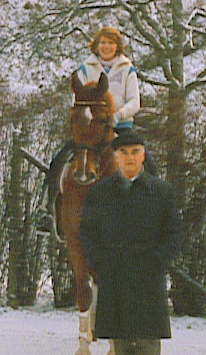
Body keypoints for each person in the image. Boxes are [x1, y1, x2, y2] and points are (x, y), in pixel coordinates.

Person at [79, 130, 182, 355]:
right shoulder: (100, 192)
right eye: (123, 153)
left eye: (135, 152)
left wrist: (158, 261)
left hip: (148, 272)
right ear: (115, 156)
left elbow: (174, 233)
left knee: (148, 337)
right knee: (121, 335)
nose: (130, 159)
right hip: (114, 271)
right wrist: (99, 262)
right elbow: (87, 231)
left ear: (144, 154)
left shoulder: (160, 191)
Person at [40, 27, 154, 234]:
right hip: (90, 128)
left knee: (150, 163)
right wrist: (81, 115)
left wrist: (116, 115)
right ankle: (47, 210)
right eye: (103, 43)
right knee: (59, 159)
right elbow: (77, 96)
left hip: (120, 126)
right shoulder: (86, 68)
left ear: (117, 46)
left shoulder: (127, 69)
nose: (107, 47)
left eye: (111, 43)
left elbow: (135, 101)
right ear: (96, 45)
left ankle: (152, 214)